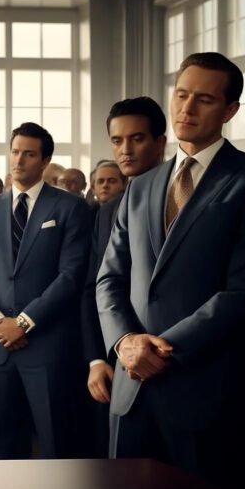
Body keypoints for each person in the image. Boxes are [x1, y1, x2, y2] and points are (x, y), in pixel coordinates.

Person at [96, 53, 245, 487]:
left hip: (205, 389)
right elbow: (109, 278)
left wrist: (162, 351)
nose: (187, 108)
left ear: (229, 110)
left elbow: (243, 290)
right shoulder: (141, 186)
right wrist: (125, 342)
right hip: (131, 389)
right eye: (181, 95)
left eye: (204, 99)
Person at [0, 122, 91, 459]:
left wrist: (24, 322)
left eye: (29, 154)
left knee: (57, 446)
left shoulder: (70, 207)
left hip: (47, 346)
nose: (19, 160)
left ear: (45, 161)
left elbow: (71, 276)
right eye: (15, 151)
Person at [81, 97, 166, 458]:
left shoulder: (186, 196)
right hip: (121, 363)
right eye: (117, 140)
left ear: (160, 143)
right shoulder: (108, 211)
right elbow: (94, 286)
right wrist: (99, 357)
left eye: (137, 138)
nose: (125, 150)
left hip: (175, 357)